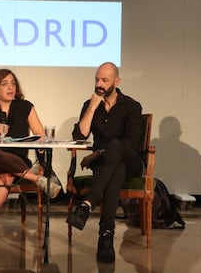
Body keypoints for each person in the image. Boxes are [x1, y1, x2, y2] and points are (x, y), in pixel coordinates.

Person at [0, 68, 61, 246]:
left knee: (7, 176)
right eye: (4, 84)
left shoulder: (25, 107)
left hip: (15, 162)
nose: (10, 87)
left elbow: (40, 135)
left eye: (13, 83)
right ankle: (36, 178)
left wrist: (41, 141)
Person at [66, 62, 143, 262]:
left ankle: (88, 202)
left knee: (118, 147)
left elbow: (132, 144)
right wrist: (92, 106)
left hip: (132, 161)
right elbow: (79, 136)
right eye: (97, 79)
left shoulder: (132, 106)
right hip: (109, 166)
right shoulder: (90, 105)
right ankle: (106, 237)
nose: (99, 84)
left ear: (116, 82)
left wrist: (97, 153)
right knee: (116, 170)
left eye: (105, 80)